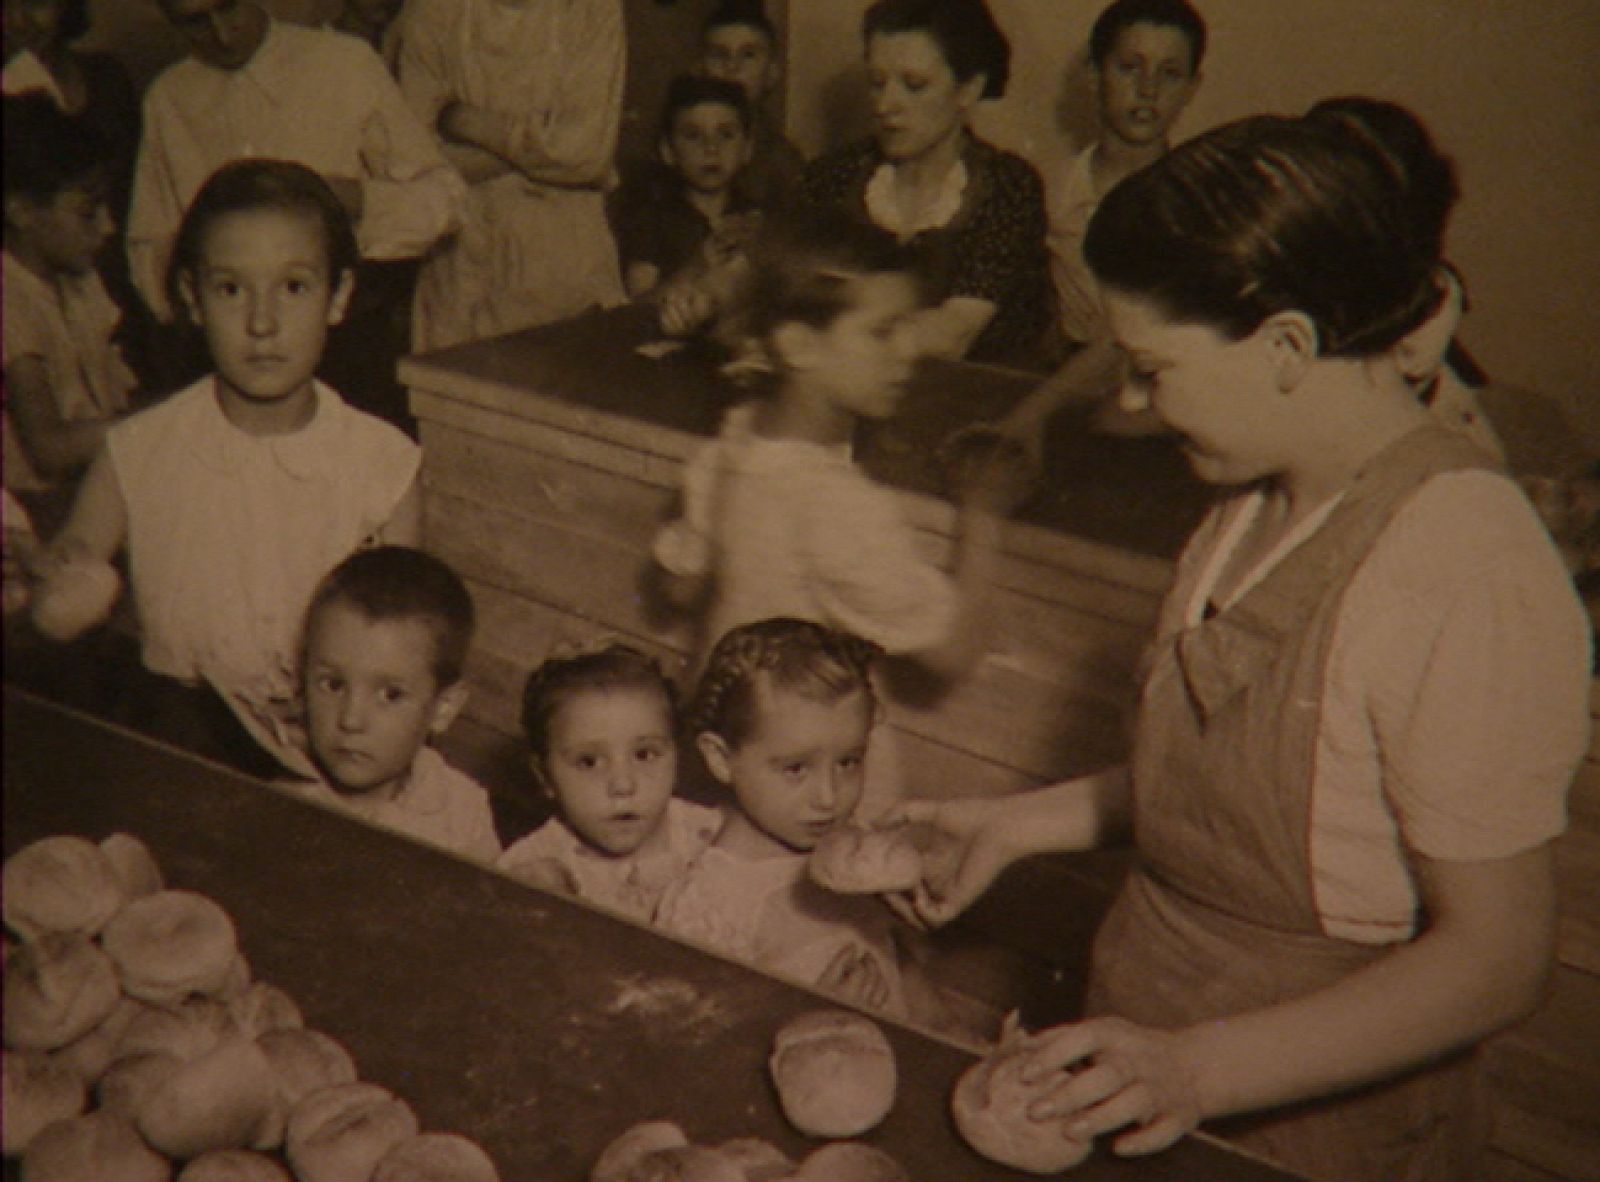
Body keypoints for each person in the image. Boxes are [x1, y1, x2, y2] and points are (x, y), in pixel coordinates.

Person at [886, 113, 1592, 1181]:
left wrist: (1197, 1071)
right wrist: (1013, 822)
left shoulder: (1466, 563)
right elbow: (1251, 783)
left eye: (1150, 367)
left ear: (1288, 347)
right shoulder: (1253, 502)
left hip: (1311, 1119)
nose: (1127, 400)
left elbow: (1496, 962)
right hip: (1146, 1041)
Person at [35, 159, 421, 776]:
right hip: (173, 743)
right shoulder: (138, 448)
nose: (262, 323)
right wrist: (59, 584)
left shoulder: (383, 462)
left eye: (293, 287)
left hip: (329, 755)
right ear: (191, 296)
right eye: (231, 289)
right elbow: (63, 589)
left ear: (339, 296)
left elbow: (406, 643)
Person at [650, 210, 1024, 724]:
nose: (909, 351)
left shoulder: (739, 433)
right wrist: (984, 510)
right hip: (806, 760)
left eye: (910, 327)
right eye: (883, 331)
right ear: (798, 345)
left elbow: (680, 585)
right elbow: (954, 651)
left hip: (724, 724)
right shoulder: (836, 503)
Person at [129, 0, 463, 428]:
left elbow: (447, 200)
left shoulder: (343, 63)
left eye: (229, 8)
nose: (222, 34)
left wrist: (357, 200)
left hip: (350, 345)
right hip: (230, 355)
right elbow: (150, 247)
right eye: (194, 22)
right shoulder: (168, 98)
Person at [968, 0, 1206, 461]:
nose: (1147, 89)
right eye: (1129, 67)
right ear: (1095, 75)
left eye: (1169, 73)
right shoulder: (1048, 190)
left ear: (1192, 88)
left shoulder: (1199, 206)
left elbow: (1131, 336)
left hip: (1159, 413)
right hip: (1058, 393)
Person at [655, 619, 913, 1014]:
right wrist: (807, 1011)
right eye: (796, 769)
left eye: (849, 762)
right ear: (721, 759)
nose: (829, 798)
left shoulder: (850, 852)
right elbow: (691, 1040)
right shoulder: (712, 905)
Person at [797, 0, 1055, 369]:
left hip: (985, 407)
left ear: (968, 89)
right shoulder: (831, 178)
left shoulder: (1008, 187)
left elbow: (953, 333)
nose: (886, 104)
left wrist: (824, 340)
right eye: (876, 82)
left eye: (913, 85)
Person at [397, 0, 626, 351]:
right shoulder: (432, 12)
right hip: (459, 265)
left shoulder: (592, 10)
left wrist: (459, 118)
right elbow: (412, 162)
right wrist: (543, 141)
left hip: (564, 269)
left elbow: (584, 155)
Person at [279, 546, 501, 863]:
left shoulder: (462, 815)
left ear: (443, 707)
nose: (351, 720)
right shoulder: (282, 790)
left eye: (390, 695)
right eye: (333, 685)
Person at [496, 641, 721, 923]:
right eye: (589, 762)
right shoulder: (531, 868)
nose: (623, 786)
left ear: (677, 756)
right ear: (545, 777)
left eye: (645, 754)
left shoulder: (715, 839)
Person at [3, 94, 135, 536]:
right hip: (33, 511)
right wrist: (161, 422)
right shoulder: (9, 296)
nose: (108, 227)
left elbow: (111, 401)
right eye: (87, 212)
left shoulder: (78, 280)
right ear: (21, 211)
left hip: (93, 484)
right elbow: (48, 448)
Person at [610, 74, 760, 323]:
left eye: (726, 135)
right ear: (668, 151)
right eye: (693, 136)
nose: (711, 148)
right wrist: (698, 265)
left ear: (747, 148)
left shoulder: (759, 217)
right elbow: (638, 308)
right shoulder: (650, 221)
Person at [697, 0, 806, 212]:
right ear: (700, 68)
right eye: (719, 55)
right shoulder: (676, 147)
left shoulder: (783, 162)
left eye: (748, 55)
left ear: (772, 73)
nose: (732, 67)